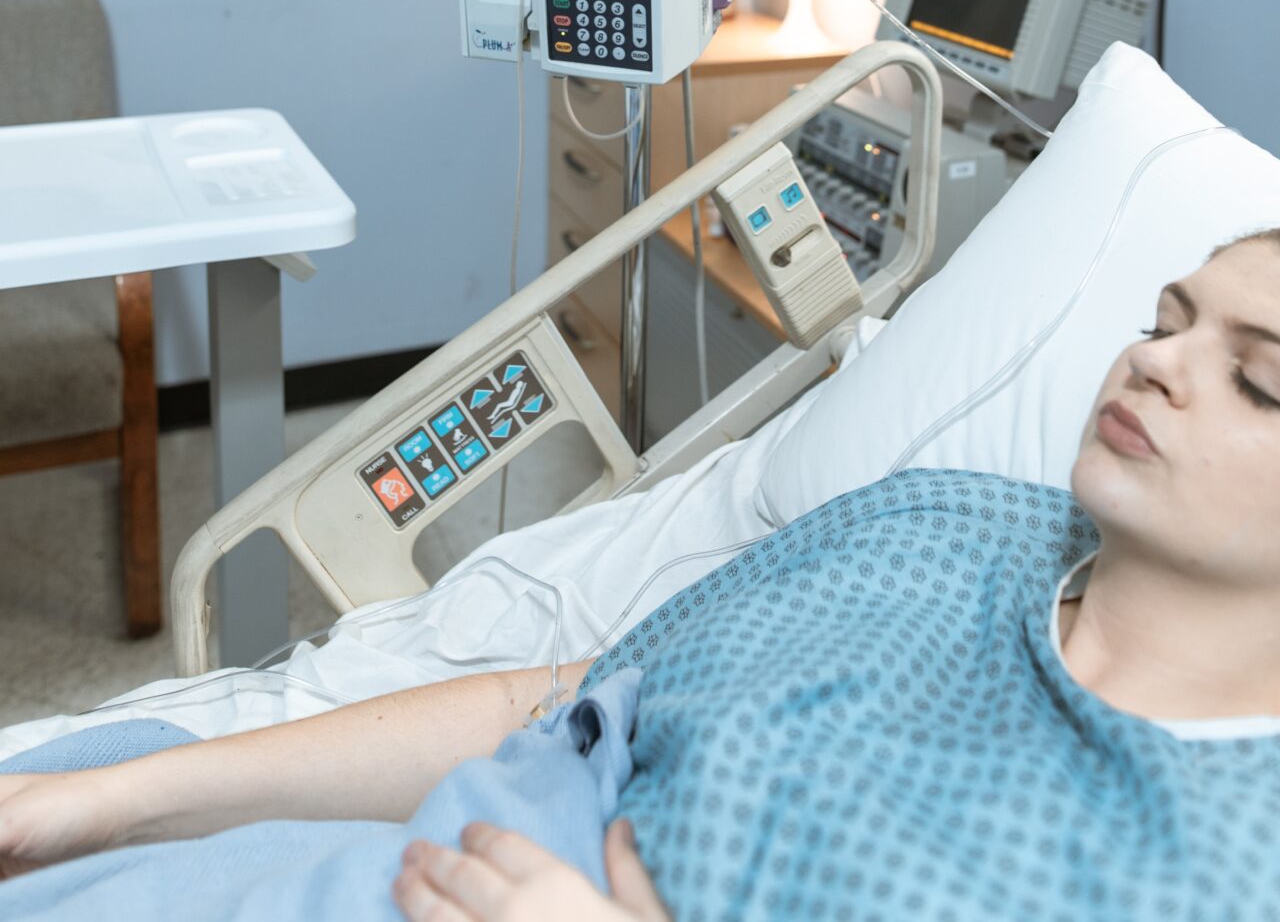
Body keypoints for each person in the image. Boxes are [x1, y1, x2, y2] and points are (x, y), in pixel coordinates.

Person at [3, 229, 1280, 922]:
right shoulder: (937, 522)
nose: (1154, 364)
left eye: (1256, 374)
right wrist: (113, 799)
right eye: (1164, 323)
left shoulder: (1234, 853)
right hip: (398, 855)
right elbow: (556, 706)